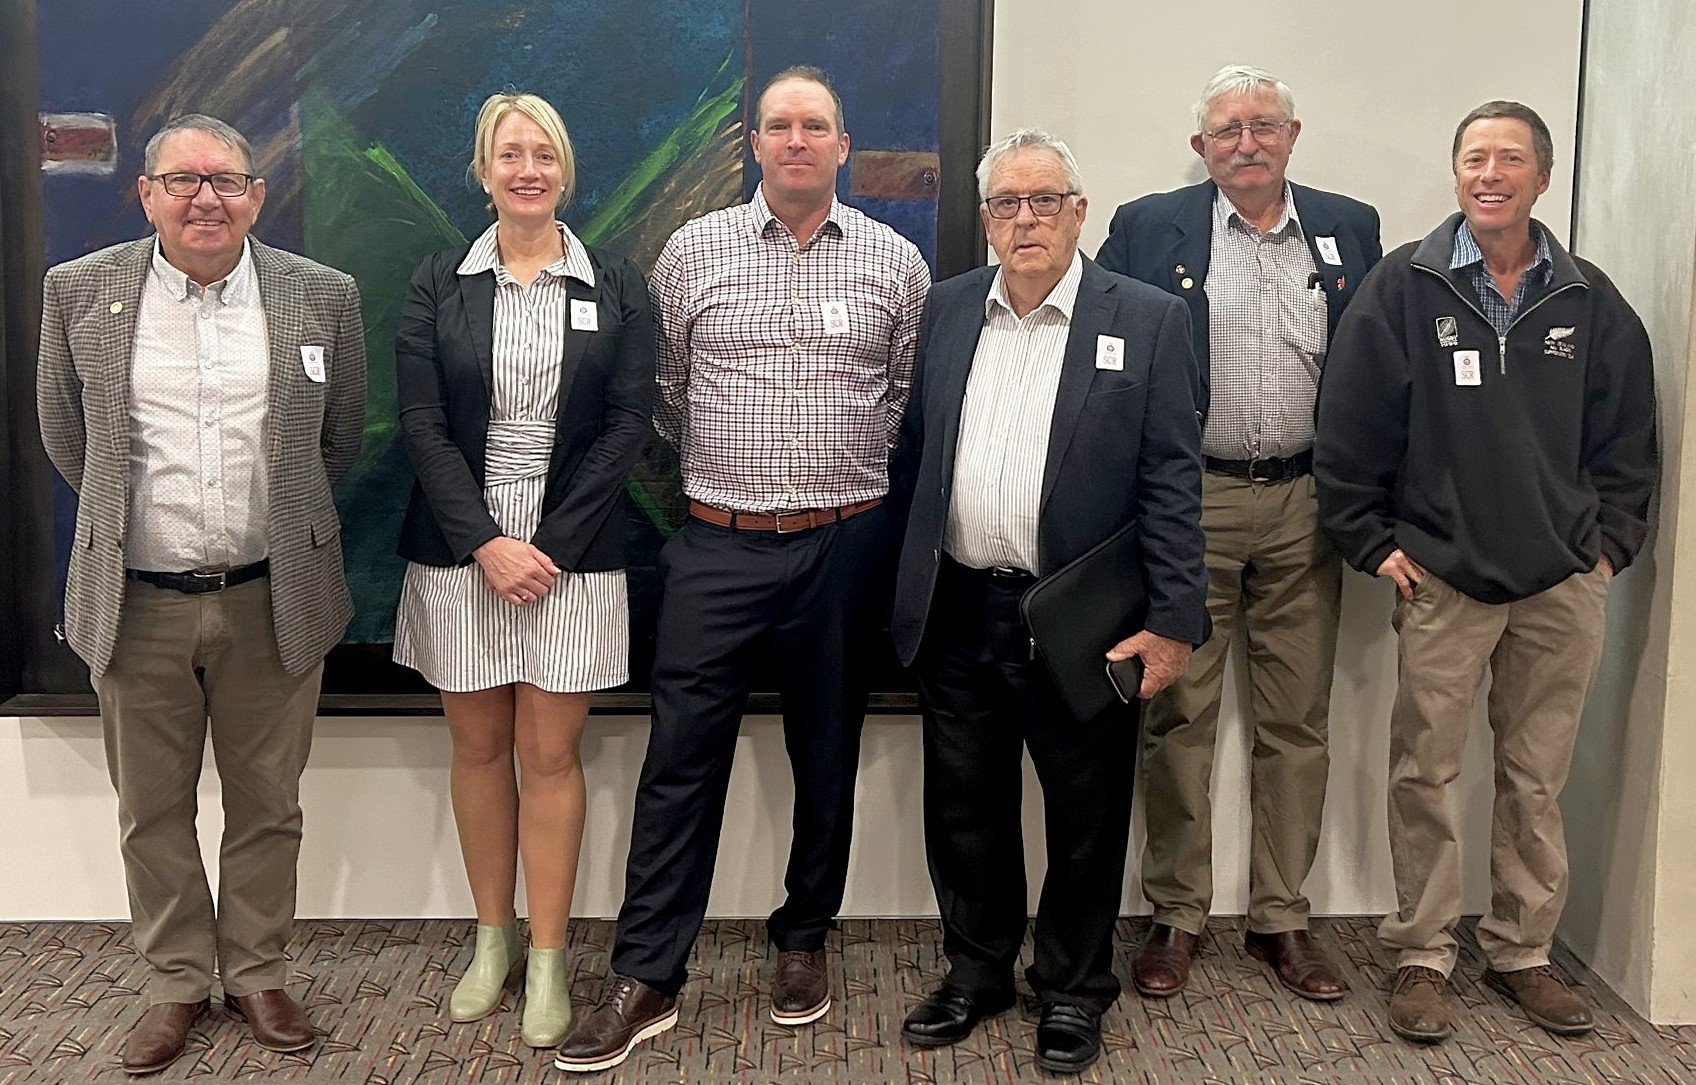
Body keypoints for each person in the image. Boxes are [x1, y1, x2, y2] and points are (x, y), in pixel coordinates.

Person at [556, 65, 929, 1074]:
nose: (797, 140)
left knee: (826, 751)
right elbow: (663, 394)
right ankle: (647, 974)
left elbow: (904, 400)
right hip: (716, 544)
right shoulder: (694, 251)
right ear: (752, 144)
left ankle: (803, 934)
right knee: (679, 762)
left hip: (844, 544)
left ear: (842, 146)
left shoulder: (895, 264)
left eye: (816, 125)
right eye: (779, 125)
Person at [1314, 101, 1656, 1043]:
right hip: (1442, 579)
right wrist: (1370, 538)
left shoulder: (1588, 298)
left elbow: (1629, 438)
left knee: (1535, 778)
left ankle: (1522, 952)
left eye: (1510, 158)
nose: (1489, 173)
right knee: (1424, 771)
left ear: (1543, 177)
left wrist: (1609, 546)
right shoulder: (1404, 289)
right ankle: (1422, 953)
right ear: (1456, 174)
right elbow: (1349, 429)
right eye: (1474, 158)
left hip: (1560, 583)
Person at [35, 113, 366, 1074]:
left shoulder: (321, 297)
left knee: (270, 801)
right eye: (182, 181)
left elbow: (335, 442)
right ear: (146, 194)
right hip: (135, 600)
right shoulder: (79, 292)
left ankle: (259, 970)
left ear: (258, 196)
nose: (205, 198)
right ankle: (177, 981)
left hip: (276, 594)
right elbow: (71, 438)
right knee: (151, 807)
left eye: (225, 180)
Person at [890, 129, 1207, 1074]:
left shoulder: (1144, 319)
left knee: (1086, 812)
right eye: (1005, 204)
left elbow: (1171, 480)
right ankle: (978, 969)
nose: (1024, 219)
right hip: (958, 606)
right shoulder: (948, 311)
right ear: (985, 218)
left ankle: (1072, 988)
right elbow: (917, 456)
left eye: (1043, 200)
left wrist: (1176, 618)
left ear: (1079, 211)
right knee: (963, 806)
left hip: (1082, 620)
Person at [1096, 64, 1381, 1001]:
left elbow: (1373, 368)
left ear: (1294, 135)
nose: (1246, 143)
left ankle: (1282, 919)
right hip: (1191, 503)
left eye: (1263, 125)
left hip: (1308, 504)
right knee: (1179, 712)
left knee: (1297, 719)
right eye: (1227, 131)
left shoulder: (1350, 227)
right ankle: (1177, 914)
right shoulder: (1148, 229)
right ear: (1200, 150)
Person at [392, 91, 654, 1049]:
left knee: (549, 756)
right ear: (484, 170)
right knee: (475, 749)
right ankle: (491, 940)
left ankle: (548, 956)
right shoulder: (437, 282)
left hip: (572, 553)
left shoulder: (616, 283)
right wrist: (486, 541)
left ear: (565, 169)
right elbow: (421, 425)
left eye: (544, 152)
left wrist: (548, 543)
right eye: (511, 154)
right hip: (464, 544)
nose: (528, 169)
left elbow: (630, 423)